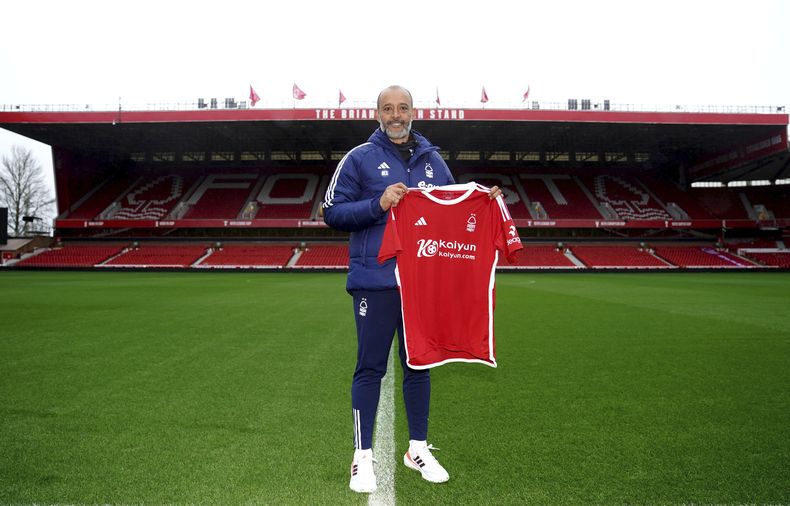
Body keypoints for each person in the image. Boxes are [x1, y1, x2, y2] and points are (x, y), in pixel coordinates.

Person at [322, 85, 500, 494]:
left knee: (419, 364)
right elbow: (331, 211)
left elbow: (454, 208)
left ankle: (417, 448)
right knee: (370, 368)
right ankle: (362, 455)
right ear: (378, 113)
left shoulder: (434, 161)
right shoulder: (359, 158)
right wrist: (378, 203)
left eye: (402, 108)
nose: (396, 115)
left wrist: (483, 201)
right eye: (388, 108)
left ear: (413, 112)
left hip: (422, 285)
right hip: (376, 280)